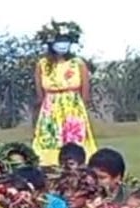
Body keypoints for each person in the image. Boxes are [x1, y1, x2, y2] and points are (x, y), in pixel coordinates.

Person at [31, 20, 97, 167]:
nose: (62, 45)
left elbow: (85, 90)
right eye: (59, 41)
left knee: (74, 137)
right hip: (51, 106)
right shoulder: (43, 64)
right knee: (51, 136)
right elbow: (39, 92)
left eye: (65, 41)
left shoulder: (78, 63)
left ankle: (78, 162)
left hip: (72, 106)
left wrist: (81, 108)